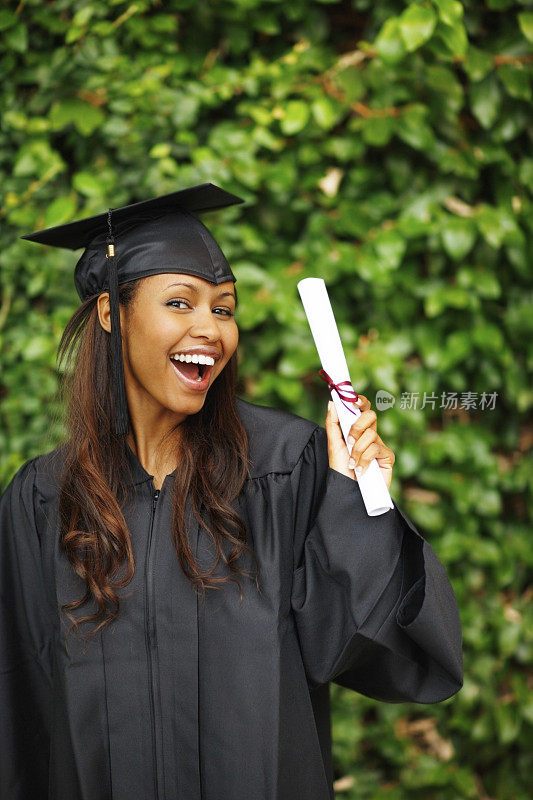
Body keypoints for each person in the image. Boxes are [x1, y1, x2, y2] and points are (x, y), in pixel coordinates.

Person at [1, 183, 463, 800]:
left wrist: (357, 506)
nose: (210, 329)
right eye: (180, 302)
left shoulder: (285, 468)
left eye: (223, 308)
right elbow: (20, 712)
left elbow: (380, 649)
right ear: (112, 314)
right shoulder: (44, 500)